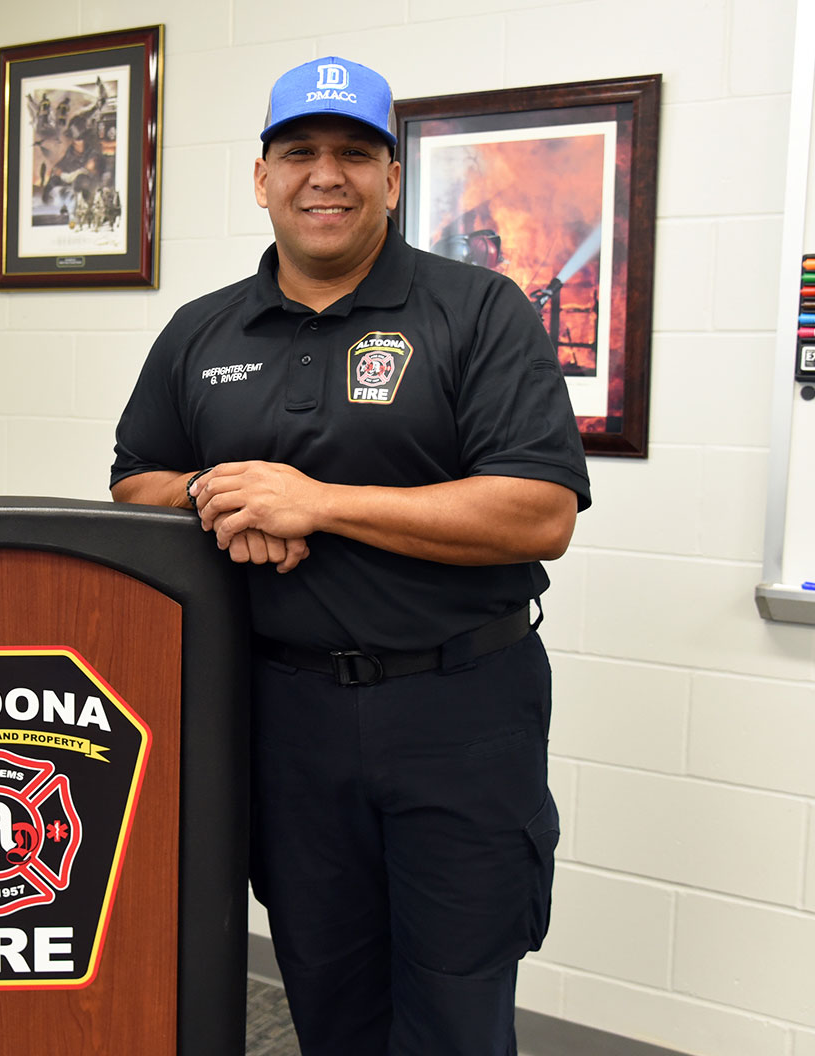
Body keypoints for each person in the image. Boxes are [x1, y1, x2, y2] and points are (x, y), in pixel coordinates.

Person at [110, 56, 590, 1056]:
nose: (325, 175)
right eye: (300, 153)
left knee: (456, 1009)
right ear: (262, 178)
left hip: (459, 713)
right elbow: (135, 481)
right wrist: (217, 494)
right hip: (284, 718)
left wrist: (319, 504)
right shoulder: (203, 332)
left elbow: (540, 509)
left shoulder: (479, 310)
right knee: (326, 994)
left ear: (392, 178)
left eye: (354, 154)